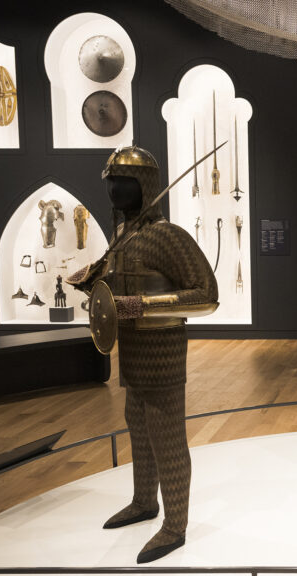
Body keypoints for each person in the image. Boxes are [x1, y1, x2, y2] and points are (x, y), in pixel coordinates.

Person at [68, 145, 218, 563]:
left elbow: (207, 295)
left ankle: (175, 525)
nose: (115, 189)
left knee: (166, 433)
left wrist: (140, 305)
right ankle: (144, 501)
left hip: (161, 346)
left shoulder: (168, 236)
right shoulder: (124, 234)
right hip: (133, 346)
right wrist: (94, 280)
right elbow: (123, 279)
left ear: (145, 185)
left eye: (125, 181)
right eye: (111, 181)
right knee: (137, 422)